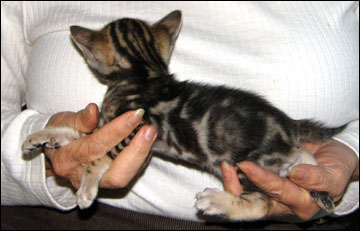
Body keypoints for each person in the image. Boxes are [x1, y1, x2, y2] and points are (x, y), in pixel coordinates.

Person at [1, 1, 359, 229]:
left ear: (95, 53)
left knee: (245, 152)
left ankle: (254, 201)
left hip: (292, 213)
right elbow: (103, 138)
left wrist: (352, 155)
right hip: (70, 221)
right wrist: (44, 158)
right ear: (163, 44)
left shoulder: (126, 97)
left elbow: (118, 140)